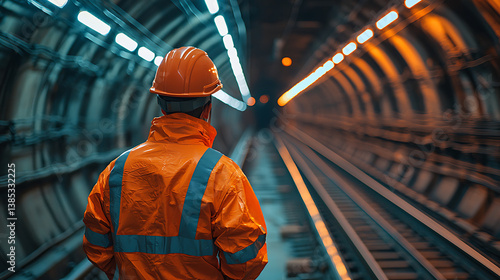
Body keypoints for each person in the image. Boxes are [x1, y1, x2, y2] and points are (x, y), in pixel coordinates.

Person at [82, 46, 267, 279]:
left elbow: (96, 244)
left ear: (160, 105)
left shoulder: (118, 169)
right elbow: (246, 258)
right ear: (208, 109)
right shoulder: (221, 173)